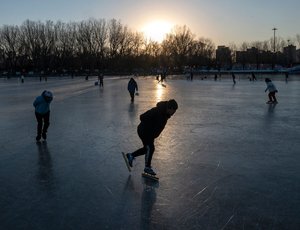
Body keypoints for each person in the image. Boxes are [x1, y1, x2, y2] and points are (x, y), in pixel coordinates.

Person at [125, 99, 178, 175]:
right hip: (144, 131)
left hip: (150, 134)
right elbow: (142, 117)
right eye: (174, 111)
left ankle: (131, 155)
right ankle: (147, 167)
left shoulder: (165, 114)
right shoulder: (157, 111)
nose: (174, 113)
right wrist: (148, 127)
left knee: (147, 149)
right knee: (150, 148)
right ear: (170, 108)